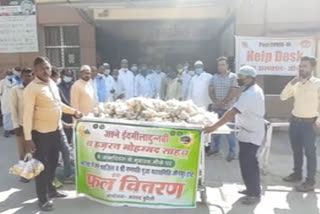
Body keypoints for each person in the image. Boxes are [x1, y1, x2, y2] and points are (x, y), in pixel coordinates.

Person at [23, 57, 82, 211]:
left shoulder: (52, 84)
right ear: (35, 70)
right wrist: (28, 139)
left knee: (54, 163)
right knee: (41, 168)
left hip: (56, 131)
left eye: (48, 68)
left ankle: (51, 190)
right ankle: (42, 199)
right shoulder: (31, 89)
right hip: (40, 134)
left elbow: (58, 104)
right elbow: (27, 115)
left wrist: (73, 111)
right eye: (42, 68)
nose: (46, 71)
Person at [204, 66, 265, 205]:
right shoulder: (249, 90)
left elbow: (232, 112)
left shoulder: (251, 94)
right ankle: (251, 189)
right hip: (246, 130)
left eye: (241, 77)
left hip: (252, 133)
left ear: (249, 78)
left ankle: (254, 193)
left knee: (249, 164)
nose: (239, 79)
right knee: (245, 162)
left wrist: (215, 126)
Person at [280, 56, 320, 192]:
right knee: (296, 150)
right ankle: (297, 174)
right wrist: (291, 82)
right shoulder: (295, 83)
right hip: (295, 122)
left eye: (305, 66)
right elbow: (283, 97)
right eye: (300, 66)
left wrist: (318, 123)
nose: (301, 68)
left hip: (310, 124)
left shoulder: (317, 84)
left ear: (312, 68)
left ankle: (310, 182)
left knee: (310, 153)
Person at [208, 57, 239, 161]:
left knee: (230, 132)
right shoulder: (214, 77)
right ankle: (215, 149)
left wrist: (224, 102)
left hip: (229, 109)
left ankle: (232, 152)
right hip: (216, 108)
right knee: (215, 130)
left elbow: (234, 91)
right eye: (219, 65)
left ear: (227, 65)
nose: (220, 67)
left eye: (223, 64)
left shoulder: (233, 77)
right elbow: (211, 91)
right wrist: (215, 101)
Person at [51, 69, 75, 186]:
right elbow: (59, 105)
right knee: (54, 152)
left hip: (62, 121)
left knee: (66, 148)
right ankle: (51, 178)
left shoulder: (71, 86)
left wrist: (73, 112)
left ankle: (68, 172)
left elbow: (61, 105)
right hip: (49, 126)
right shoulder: (53, 88)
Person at [10, 68, 34, 183]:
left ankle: (35, 171)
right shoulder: (16, 90)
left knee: (34, 149)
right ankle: (25, 174)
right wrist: (16, 126)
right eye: (25, 75)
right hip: (21, 125)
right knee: (23, 151)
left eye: (30, 75)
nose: (28, 77)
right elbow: (13, 109)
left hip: (35, 125)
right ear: (22, 76)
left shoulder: (34, 89)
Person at [59, 69, 74, 145]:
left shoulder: (74, 86)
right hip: (63, 116)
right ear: (61, 76)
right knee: (65, 140)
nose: (68, 77)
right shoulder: (58, 87)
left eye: (70, 76)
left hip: (74, 115)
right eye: (66, 75)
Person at [0, 69, 17, 137]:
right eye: (9, 74)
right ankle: (6, 130)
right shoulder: (2, 82)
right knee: (6, 116)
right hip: (5, 101)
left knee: (13, 116)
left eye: (11, 74)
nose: (10, 75)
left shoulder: (15, 81)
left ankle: (12, 129)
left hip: (13, 100)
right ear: (6, 75)